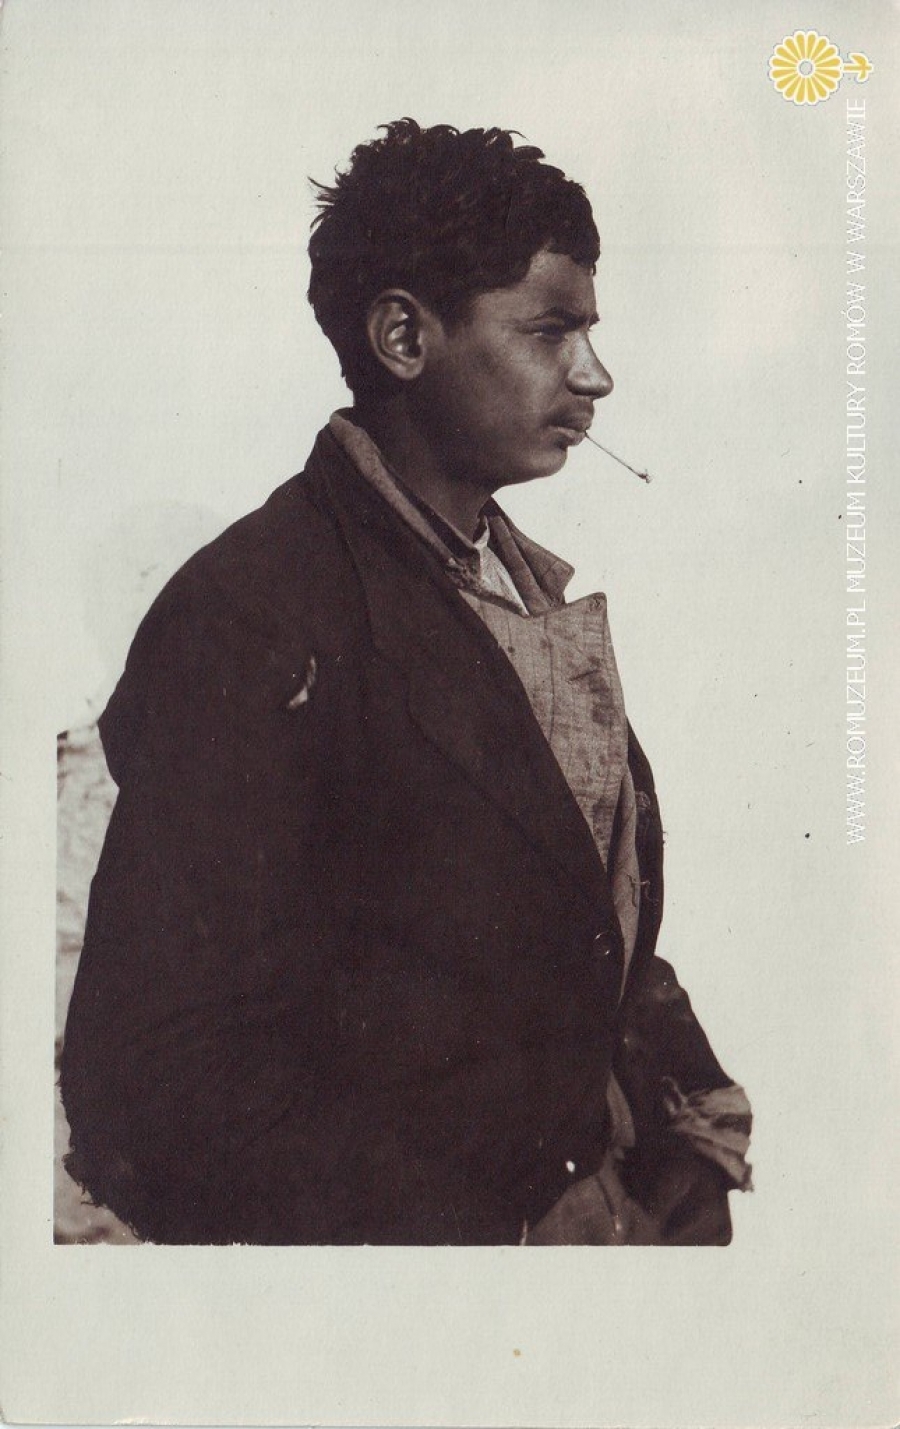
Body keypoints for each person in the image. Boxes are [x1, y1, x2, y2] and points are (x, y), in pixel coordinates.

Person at [61, 119, 751, 1245]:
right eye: (551, 330)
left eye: (589, 330)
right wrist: (491, 1231)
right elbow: (154, 1084)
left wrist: (685, 1146)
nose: (596, 374)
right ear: (401, 336)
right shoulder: (253, 614)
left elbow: (580, 919)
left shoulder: (511, 588)